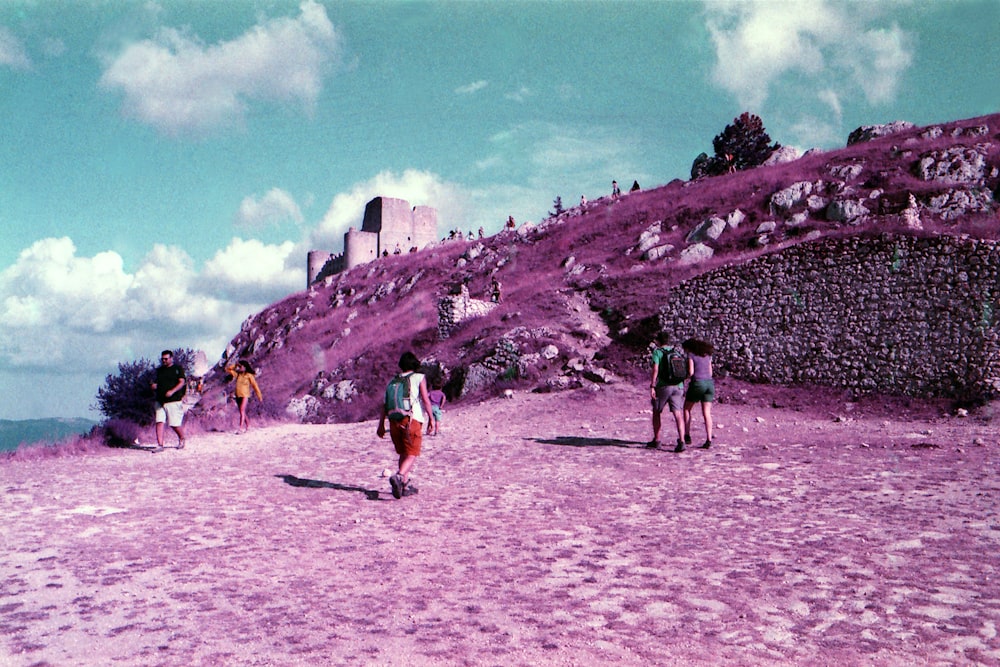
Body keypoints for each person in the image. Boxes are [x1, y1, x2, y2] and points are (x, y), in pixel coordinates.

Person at [377, 351, 436, 499]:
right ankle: (399, 476)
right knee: (412, 453)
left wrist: (381, 425)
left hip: (394, 421)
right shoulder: (419, 377)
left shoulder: (393, 380)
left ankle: (403, 486)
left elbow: (384, 405)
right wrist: (431, 419)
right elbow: (425, 400)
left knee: (403, 453)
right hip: (411, 420)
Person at [648, 332, 687, 452]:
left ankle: (657, 440)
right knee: (678, 414)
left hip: (664, 386)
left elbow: (655, 369)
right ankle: (681, 441)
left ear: (658, 341)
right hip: (678, 385)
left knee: (657, 411)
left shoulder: (657, 352)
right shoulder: (676, 352)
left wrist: (652, 386)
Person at [682, 338, 716, 449]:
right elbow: (710, 372)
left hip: (698, 383)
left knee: (687, 409)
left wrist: (684, 377)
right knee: (707, 412)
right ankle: (709, 439)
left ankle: (687, 435)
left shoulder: (691, 356)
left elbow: (691, 372)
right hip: (709, 384)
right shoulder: (708, 356)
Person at [151, 350, 186, 451]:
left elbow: (182, 382)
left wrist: (172, 391)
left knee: (174, 424)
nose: (164, 361)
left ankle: (182, 438)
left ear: (171, 358)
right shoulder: (159, 370)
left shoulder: (177, 369)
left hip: (173, 400)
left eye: (166, 359)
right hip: (160, 400)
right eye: (162, 359)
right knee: (159, 421)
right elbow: (156, 382)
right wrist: (154, 386)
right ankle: (160, 445)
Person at [226, 360, 263, 434]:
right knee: (242, 411)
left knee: (242, 410)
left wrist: (259, 395)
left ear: (245, 367)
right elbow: (227, 369)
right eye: (239, 366)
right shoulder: (238, 375)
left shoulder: (249, 375)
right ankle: (248, 426)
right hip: (237, 395)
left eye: (241, 366)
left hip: (245, 395)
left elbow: (255, 386)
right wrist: (235, 365)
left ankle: (240, 428)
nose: (239, 368)